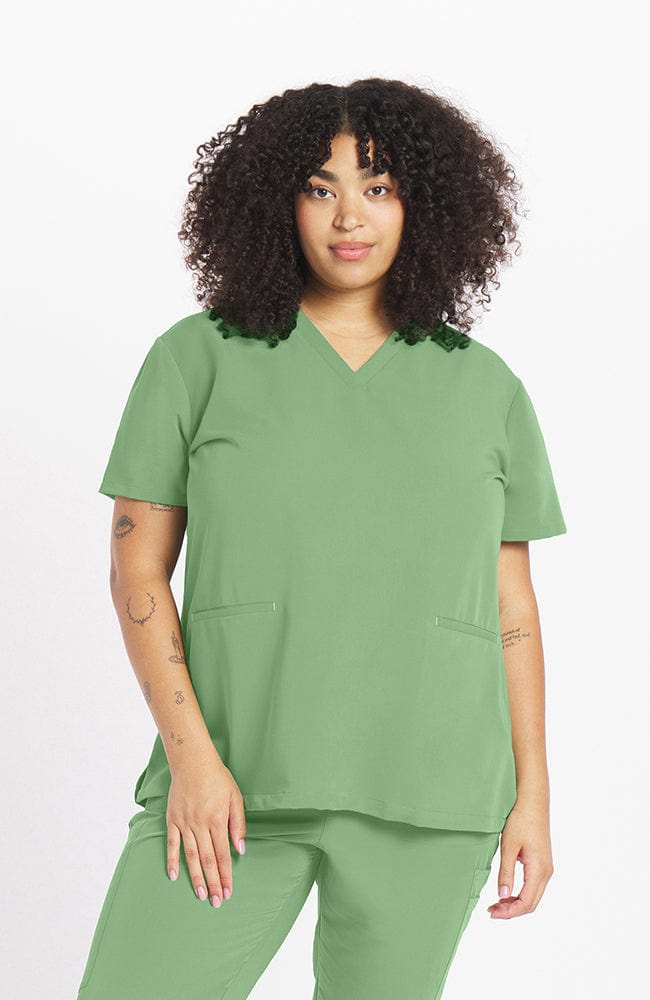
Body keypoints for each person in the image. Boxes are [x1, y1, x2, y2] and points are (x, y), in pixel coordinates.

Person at [76, 77, 567, 1000]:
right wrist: (191, 761)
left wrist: (533, 795)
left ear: (425, 206)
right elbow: (136, 569)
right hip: (232, 785)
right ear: (276, 202)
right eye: (320, 187)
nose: (351, 216)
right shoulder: (196, 358)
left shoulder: (486, 388)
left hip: (433, 793)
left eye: (379, 188)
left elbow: (512, 605)